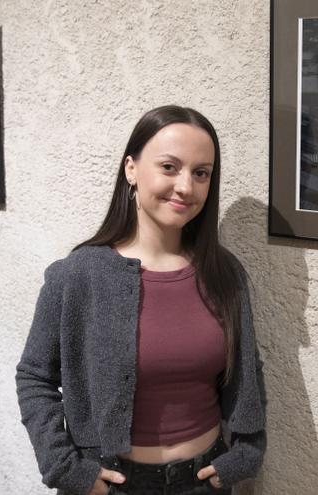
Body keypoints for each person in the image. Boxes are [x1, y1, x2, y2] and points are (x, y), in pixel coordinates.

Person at [16, 105, 267, 495]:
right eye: (169, 167)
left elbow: (248, 371)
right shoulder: (78, 275)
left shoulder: (224, 274)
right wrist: (65, 467)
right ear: (131, 169)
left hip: (205, 482)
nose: (186, 186)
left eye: (201, 173)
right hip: (113, 484)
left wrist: (246, 454)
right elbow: (35, 377)